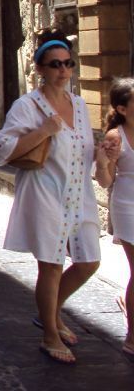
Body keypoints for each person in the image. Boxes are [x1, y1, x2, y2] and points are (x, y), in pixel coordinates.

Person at [0, 29, 103, 365]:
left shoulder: (81, 105)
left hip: (78, 193)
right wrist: (43, 130)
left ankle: (50, 311)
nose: (63, 71)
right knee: (52, 266)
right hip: (44, 192)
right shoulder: (27, 106)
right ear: (40, 69)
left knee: (88, 261)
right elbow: (4, 149)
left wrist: (103, 152)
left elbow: (81, 149)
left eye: (69, 64)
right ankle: (50, 335)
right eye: (55, 65)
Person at [94, 78, 134, 359]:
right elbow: (105, 180)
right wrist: (105, 161)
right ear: (122, 108)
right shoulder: (115, 137)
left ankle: (125, 300)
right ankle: (132, 337)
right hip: (128, 205)